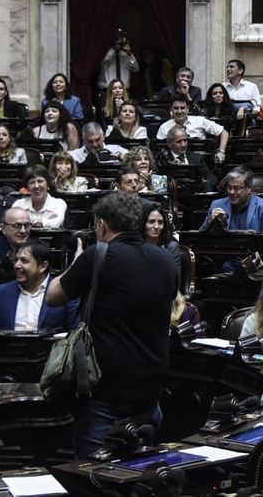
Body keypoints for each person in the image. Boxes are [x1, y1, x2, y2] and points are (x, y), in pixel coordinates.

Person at [45, 192, 178, 459]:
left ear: (102, 224)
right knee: (141, 474)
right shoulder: (166, 261)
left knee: (94, 479)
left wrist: (77, 260)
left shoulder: (98, 255)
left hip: (104, 397)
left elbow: (53, 296)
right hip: (151, 391)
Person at [0, 240, 78, 332]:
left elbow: (74, 334)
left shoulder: (62, 293)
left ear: (43, 266)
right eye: (16, 260)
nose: (16, 265)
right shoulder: (2, 292)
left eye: (24, 261)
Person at [200, 166, 263, 233]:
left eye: (236, 188)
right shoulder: (217, 205)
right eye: (229, 187)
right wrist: (209, 222)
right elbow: (200, 238)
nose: (231, 192)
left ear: (249, 188)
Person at [156, 96, 229, 165]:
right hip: (174, 163)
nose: (179, 111)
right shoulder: (164, 127)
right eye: (176, 108)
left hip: (201, 161)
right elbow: (159, 149)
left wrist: (221, 151)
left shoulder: (200, 121)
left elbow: (223, 132)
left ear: (188, 108)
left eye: (182, 108)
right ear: (171, 109)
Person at [160, 127, 216, 192]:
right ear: (169, 144)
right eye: (179, 141)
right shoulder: (163, 160)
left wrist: (207, 184)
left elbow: (210, 176)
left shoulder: (197, 158)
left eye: (185, 140)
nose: (183, 144)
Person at [98, 33, 140, 107]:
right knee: (106, 115)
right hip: (107, 90)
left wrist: (129, 54)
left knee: (124, 112)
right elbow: (100, 64)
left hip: (123, 90)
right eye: (118, 40)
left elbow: (136, 69)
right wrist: (113, 49)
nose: (120, 42)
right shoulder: (106, 53)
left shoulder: (126, 54)